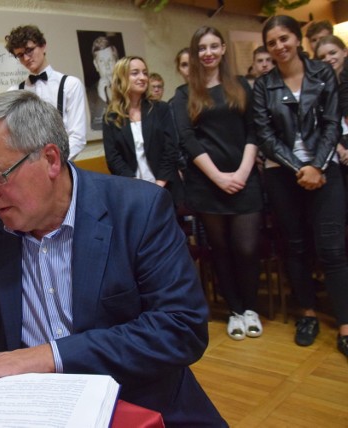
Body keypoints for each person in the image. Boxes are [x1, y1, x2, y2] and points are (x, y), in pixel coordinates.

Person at [0, 90, 226, 427]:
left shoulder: (138, 209)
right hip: (28, 410)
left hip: (134, 404)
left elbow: (180, 328)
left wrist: (47, 356)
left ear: (50, 159)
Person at [254, 15, 348, 357]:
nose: (279, 47)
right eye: (272, 43)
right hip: (284, 175)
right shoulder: (264, 85)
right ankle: (306, 314)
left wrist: (316, 166)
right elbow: (265, 135)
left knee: (333, 249)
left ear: (297, 39)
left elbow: (330, 123)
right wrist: (299, 168)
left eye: (284, 39)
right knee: (294, 247)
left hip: (326, 172)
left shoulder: (323, 74)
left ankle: (345, 324)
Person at [173, 26, 264, 341]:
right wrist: (218, 177)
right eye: (202, 48)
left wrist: (240, 173)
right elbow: (187, 139)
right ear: (196, 53)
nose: (208, 53)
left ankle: (251, 307)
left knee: (247, 248)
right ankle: (236, 311)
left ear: (223, 49)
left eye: (214, 46)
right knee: (221, 249)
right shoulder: (184, 94)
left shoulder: (240, 86)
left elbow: (254, 131)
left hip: (245, 178)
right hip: (207, 183)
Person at [103, 56, 182, 205]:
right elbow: (113, 157)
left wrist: (158, 185)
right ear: (122, 77)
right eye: (135, 73)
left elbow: (170, 148)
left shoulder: (161, 109)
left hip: (165, 188)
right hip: (132, 192)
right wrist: (137, 186)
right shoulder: (110, 117)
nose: (142, 77)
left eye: (145, 73)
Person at [5, 25, 87, 159]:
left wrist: (55, 163)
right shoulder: (14, 92)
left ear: (43, 46)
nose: (26, 58)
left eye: (29, 50)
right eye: (20, 55)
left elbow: (78, 137)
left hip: (63, 164)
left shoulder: (70, 85)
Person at [316, 35, 348, 206]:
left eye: (332, 52)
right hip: (334, 149)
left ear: (345, 51)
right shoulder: (318, 87)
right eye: (322, 57)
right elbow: (321, 123)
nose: (328, 59)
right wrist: (340, 149)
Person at [86, 35, 119, 130]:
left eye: (110, 60)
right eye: (101, 61)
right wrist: (101, 98)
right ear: (96, 65)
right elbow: (96, 126)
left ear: (116, 61)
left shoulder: (127, 89)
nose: (107, 66)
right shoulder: (89, 95)